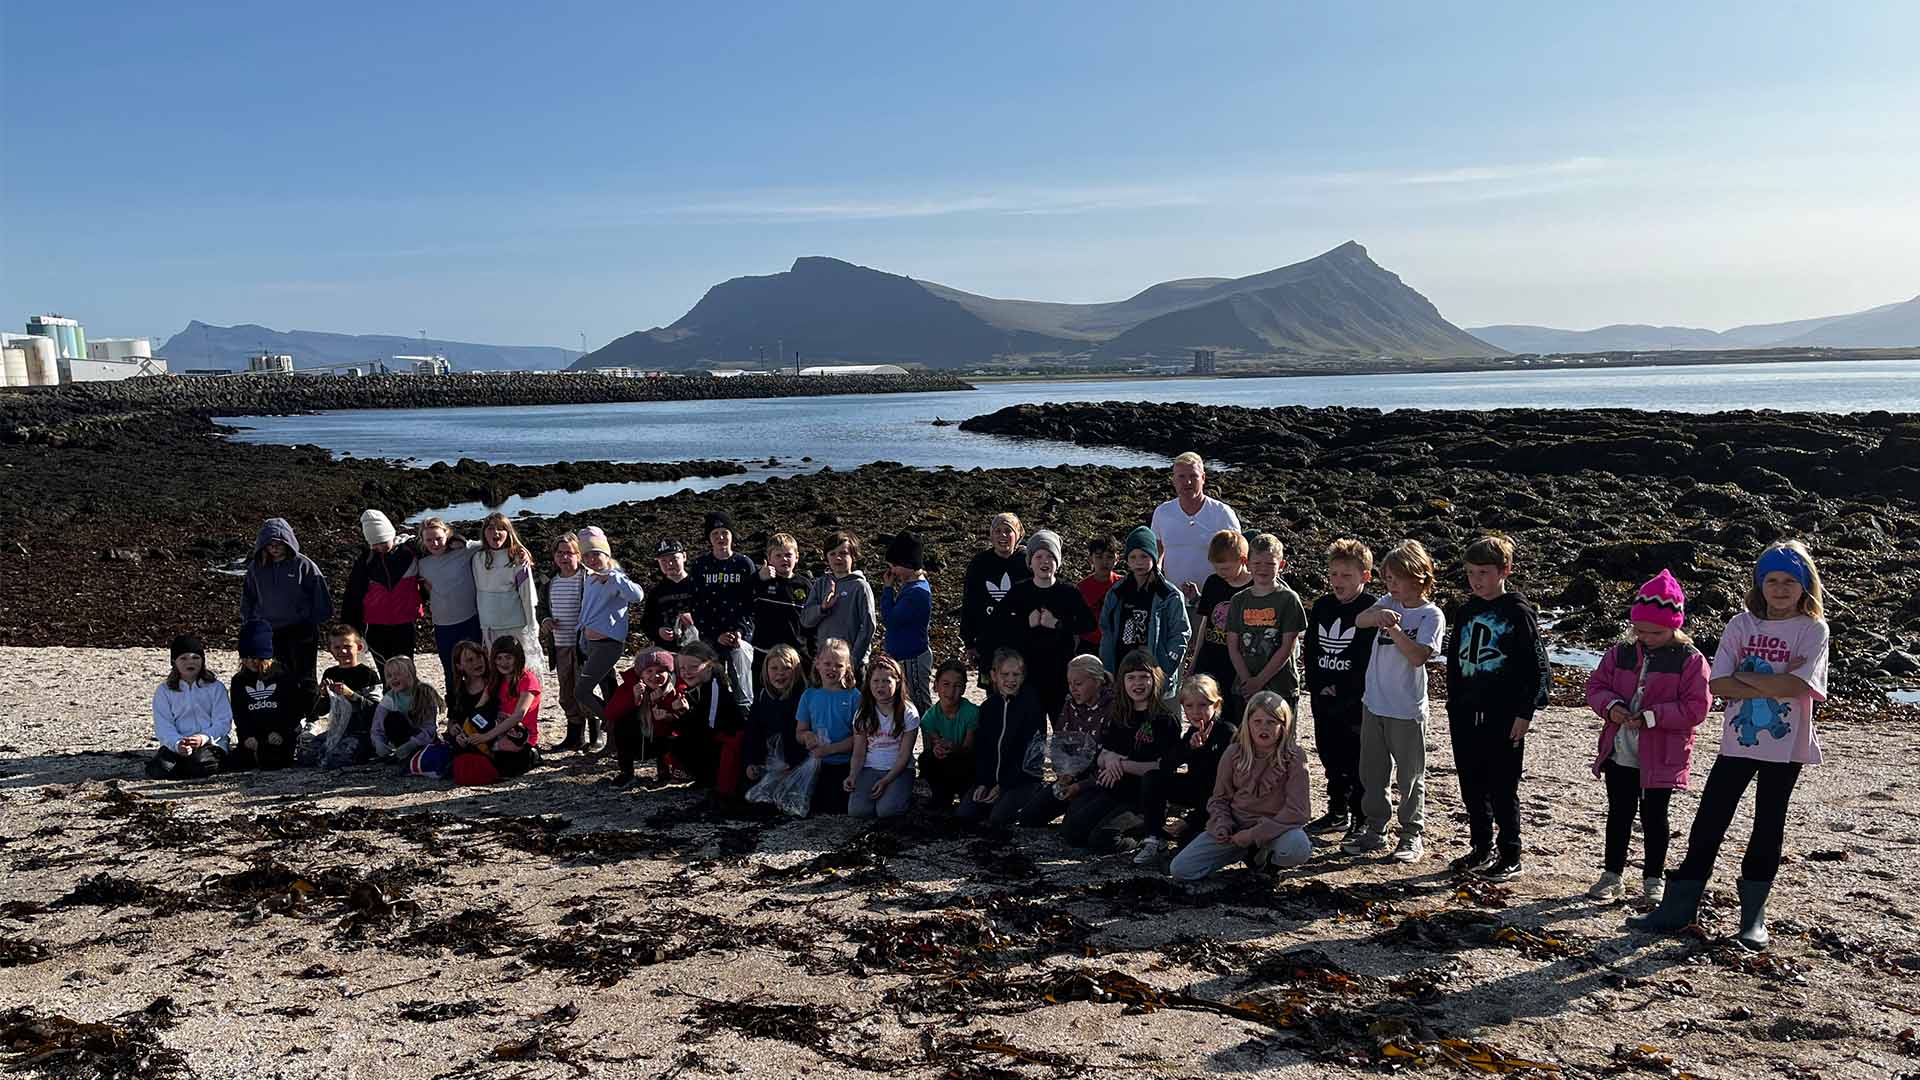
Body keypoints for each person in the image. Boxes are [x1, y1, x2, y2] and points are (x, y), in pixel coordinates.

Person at [1630, 540, 1829, 951]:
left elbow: (1800, 685)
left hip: (1786, 746)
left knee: (1768, 824)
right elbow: (1718, 683)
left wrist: (1750, 677)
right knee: (1709, 821)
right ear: (1759, 583)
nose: (1779, 588)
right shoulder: (1741, 624)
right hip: (1737, 741)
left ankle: (1753, 916)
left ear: (1805, 585)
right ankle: (1679, 906)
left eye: (1789, 581)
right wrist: (1777, 681)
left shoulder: (1813, 629)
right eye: (1771, 579)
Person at [1584, 570, 1711, 903]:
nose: (1645, 637)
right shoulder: (1621, 652)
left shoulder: (1691, 660)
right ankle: (1612, 873)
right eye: (1639, 630)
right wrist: (1611, 708)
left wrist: (1654, 717)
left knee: (1655, 817)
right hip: (1620, 750)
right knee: (1619, 813)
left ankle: (1653, 878)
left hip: (1662, 755)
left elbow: (1697, 708)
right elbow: (1596, 686)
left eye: (1654, 631)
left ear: (1674, 626)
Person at [1444, 535, 1551, 881]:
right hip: (1465, 713)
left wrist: (1525, 712)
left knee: (1503, 786)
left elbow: (1536, 666)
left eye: (1485, 573)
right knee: (1471, 783)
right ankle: (1480, 846)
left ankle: (1510, 852)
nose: (1477, 580)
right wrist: (1454, 705)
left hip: (1504, 715)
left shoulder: (1517, 613)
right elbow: (1454, 665)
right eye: (1471, 573)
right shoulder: (1466, 611)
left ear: (1505, 571)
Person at [1342, 541, 1445, 864]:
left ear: (1420, 577)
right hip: (1373, 703)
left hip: (1407, 709)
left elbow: (1418, 657)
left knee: (1410, 776)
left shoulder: (1431, 615)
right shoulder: (1387, 601)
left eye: (1398, 578)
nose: (1392, 586)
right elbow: (1358, 621)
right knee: (1372, 773)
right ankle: (1376, 830)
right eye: (1387, 579)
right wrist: (1376, 615)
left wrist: (1395, 628)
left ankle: (1411, 834)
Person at [1168, 693, 1312, 883]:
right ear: (1248, 723)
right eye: (1258, 721)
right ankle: (1244, 854)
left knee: (1297, 846)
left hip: (1275, 829)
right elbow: (1219, 799)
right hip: (1235, 830)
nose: (1263, 728)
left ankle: (1268, 863)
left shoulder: (1294, 757)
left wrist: (1253, 835)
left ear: (1284, 725)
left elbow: (1298, 811)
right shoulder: (1234, 752)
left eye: (1271, 722)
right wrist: (1222, 824)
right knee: (1181, 870)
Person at [1063, 649, 1180, 852]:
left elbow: (1162, 768)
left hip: (1143, 799)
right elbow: (1103, 755)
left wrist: (1121, 764)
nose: (1138, 683)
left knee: (1102, 841)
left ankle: (1148, 833)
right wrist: (1110, 761)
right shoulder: (1120, 714)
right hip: (1116, 791)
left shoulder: (1165, 720)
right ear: (1122, 682)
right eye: (1131, 678)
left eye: (1144, 677)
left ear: (1155, 679)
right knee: (1072, 831)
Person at [1302, 539, 1379, 840]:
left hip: (1355, 698)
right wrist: (1319, 685)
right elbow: (1310, 649)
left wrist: (1344, 689)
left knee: (1356, 759)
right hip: (1323, 695)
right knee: (1329, 754)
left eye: (1346, 576)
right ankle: (1336, 811)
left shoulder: (1370, 609)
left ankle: (1360, 816)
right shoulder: (1322, 606)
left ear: (1365, 576)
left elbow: (1365, 657)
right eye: (1333, 574)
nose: (1338, 581)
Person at [1134, 674, 1237, 866]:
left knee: (1187, 843)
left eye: (1203, 705)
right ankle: (1154, 838)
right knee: (1153, 778)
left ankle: (1192, 830)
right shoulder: (1192, 732)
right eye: (1189, 706)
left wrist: (1190, 820)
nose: (1195, 712)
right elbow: (1166, 765)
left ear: (1216, 705)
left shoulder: (1227, 733)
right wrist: (1188, 748)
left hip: (1219, 800)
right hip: (1195, 789)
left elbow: (1224, 787)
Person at [997, 529, 1094, 726]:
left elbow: (1088, 624)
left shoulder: (1068, 591)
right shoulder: (1019, 591)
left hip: (1061, 673)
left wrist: (1057, 624)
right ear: (1030, 562)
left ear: (1057, 562)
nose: (1045, 561)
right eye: (1039, 556)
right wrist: (1026, 623)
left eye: (1050, 556)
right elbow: (998, 626)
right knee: (1033, 732)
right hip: (1028, 672)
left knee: (1064, 730)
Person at [1018, 654, 1115, 827]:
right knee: (1028, 817)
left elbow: (1111, 763)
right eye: (1070, 684)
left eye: (1078, 684)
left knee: (1072, 828)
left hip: (1098, 784)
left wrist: (1080, 786)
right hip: (1070, 778)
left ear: (1097, 681)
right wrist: (1063, 774)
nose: (1073, 689)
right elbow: (1059, 743)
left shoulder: (1113, 709)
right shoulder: (1070, 704)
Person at [239, 518, 331, 699]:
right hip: (269, 631)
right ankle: (287, 717)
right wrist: (248, 623)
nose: (274, 548)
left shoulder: (303, 564)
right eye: (270, 544)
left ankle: (310, 715)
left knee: (305, 675)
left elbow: (320, 593)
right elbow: (248, 597)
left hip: (301, 629)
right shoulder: (256, 568)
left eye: (279, 544)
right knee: (276, 675)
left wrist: (315, 618)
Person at [574, 526, 646, 754]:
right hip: (591, 645)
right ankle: (614, 744)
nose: (592, 559)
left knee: (581, 691)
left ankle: (613, 722)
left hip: (608, 646)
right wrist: (580, 635)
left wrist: (614, 577)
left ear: (607, 554)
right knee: (609, 691)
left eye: (596, 554)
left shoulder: (615, 578)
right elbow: (587, 611)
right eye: (587, 555)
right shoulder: (591, 579)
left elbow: (638, 596)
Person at [1098, 526, 1191, 700]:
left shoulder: (1169, 594)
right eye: (1133, 557)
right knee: (1124, 720)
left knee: (1154, 723)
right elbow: (1106, 629)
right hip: (1122, 670)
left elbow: (1181, 633)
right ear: (1127, 560)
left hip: (1154, 671)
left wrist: (1166, 666)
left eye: (1144, 556)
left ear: (1154, 558)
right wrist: (1107, 668)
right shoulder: (1117, 592)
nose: (1138, 562)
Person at [958, 648, 1046, 828]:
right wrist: (983, 782)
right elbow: (982, 749)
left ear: (1023, 676)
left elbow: (1029, 753)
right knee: (964, 814)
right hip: (992, 779)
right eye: (1005, 674)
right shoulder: (988, 708)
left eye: (1016, 674)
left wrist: (1003, 785)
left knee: (998, 819)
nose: (1011, 680)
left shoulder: (1032, 707)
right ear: (994, 675)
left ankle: (1032, 795)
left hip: (1021, 779)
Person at [1225, 533, 1307, 725]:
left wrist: (1260, 681)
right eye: (1257, 563)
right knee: (1247, 742)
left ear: (1282, 565)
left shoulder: (1288, 599)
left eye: (1270, 564)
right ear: (1246, 562)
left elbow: (1288, 646)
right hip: (1245, 687)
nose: (1263, 569)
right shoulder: (1239, 600)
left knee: (1281, 745)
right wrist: (1248, 681)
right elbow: (1232, 645)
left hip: (1281, 687)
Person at [449, 634, 541, 784]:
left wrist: (487, 737)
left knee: (505, 767)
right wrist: (465, 733)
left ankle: (532, 755)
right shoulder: (495, 680)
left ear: (518, 657)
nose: (503, 663)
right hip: (496, 733)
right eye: (499, 658)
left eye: (508, 658)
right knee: (464, 755)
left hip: (520, 737)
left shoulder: (528, 679)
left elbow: (519, 715)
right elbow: (477, 709)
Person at [1150, 453, 1241, 604]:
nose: (1188, 481)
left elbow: (1239, 554)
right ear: (1173, 480)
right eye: (1181, 476)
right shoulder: (1162, 512)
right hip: (1172, 600)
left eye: (1194, 476)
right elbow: (1157, 548)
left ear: (1203, 478)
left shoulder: (1222, 513)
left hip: (1212, 601)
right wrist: (1156, 572)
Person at [689, 511, 756, 712]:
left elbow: (751, 605)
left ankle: (744, 713)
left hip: (739, 634)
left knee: (741, 679)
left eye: (724, 532)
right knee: (712, 681)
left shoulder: (744, 564)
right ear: (709, 538)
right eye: (715, 533)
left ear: (732, 536)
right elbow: (697, 606)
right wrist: (715, 634)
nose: (720, 538)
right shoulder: (700, 566)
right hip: (711, 634)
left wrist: (740, 631)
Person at [341, 509, 421, 668]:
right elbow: (353, 596)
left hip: (404, 623)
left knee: (406, 667)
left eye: (383, 542)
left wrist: (457, 540)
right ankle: (388, 693)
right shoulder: (366, 561)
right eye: (374, 544)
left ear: (391, 535)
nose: (379, 547)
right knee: (385, 669)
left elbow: (438, 541)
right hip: (375, 626)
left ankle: (409, 693)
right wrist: (350, 628)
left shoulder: (411, 551)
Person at [1183, 530, 1251, 715]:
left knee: (1233, 716)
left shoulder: (1253, 589)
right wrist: (1194, 662)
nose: (1221, 573)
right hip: (1210, 658)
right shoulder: (1213, 582)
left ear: (1243, 560)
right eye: (1217, 568)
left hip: (1237, 665)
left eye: (1226, 568)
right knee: (1205, 713)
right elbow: (1206, 622)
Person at [146, 634, 231, 780]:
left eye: (195, 658)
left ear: (203, 661)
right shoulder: (164, 690)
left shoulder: (216, 687)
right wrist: (178, 743)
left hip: (210, 744)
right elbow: (163, 725)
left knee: (200, 765)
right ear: (174, 661)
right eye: (183, 658)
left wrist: (203, 738)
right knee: (159, 769)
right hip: (178, 744)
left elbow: (223, 722)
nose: (190, 662)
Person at [846, 655, 921, 819]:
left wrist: (886, 780)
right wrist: (853, 775)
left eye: (886, 681)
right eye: (876, 681)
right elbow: (858, 752)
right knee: (858, 811)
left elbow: (904, 755)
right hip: (870, 767)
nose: (881, 686)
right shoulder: (863, 713)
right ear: (869, 684)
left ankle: (903, 795)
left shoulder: (909, 713)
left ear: (898, 682)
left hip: (899, 769)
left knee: (887, 812)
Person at [672, 639, 748, 800]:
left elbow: (710, 726)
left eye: (693, 667)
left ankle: (711, 780)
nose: (686, 672)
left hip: (727, 741)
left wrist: (683, 716)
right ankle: (705, 779)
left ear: (709, 665)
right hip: (715, 737)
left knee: (686, 740)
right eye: (682, 668)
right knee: (677, 740)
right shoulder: (700, 686)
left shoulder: (716, 686)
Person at [413, 517, 484, 690]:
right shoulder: (421, 563)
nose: (435, 543)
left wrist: (459, 539)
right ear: (422, 541)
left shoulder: (464, 551)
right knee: (451, 670)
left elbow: (489, 542)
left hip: (470, 620)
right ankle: (455, 711)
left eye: (438, 538)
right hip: (443, 626)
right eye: (429, 540)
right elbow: (399, 544)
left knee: (477, 668)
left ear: (447, 534)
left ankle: (480, 709)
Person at [960, 513, 1030, 683]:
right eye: (997, 531)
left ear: (1018, 534)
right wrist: (969, 642)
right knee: (993, 691)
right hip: (989, 641)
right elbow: (969, 603)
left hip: (1024, 641)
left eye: (1008, 531)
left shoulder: (1027, 561)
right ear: (991, 535)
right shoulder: (979, 563)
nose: (1002, 535)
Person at [795, 638, 862, 815]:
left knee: (836, 808)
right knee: (809, 805)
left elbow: (859, 739)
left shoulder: (855, 697)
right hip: (816, 763)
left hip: (844, 764)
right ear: (817, 663)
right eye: (827, 663)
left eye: (838, 665)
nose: (832, 669)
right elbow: (799, 732)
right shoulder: (809, 696)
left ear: (847, 668)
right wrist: (807, 736)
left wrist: (830, 750)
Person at [604, 647, 685, 790]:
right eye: (649, 671)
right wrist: (633, 699)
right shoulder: (629, 687)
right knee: (622, 721)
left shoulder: (675, 689)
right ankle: (626, 772)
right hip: (637, 739)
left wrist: (668, 714)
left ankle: (664, 771)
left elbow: (682, 721)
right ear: (640, 673)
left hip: (662, 741)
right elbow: (610, 713)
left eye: (661, 671)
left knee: (674, 732)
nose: (655, 676)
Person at [228, 618, 302, 771]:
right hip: (253, 735)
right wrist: (246, 736)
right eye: (247, 658)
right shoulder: (239, 681)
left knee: (273, 761)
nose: (251, 662)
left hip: (279, 735)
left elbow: (294, 710)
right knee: (236, 763)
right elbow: (239, 713)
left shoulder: (283, 676)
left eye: (257, 658)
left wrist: (282, 732)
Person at [473, 512, 543, 674]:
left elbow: (528, 596)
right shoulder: (477, 558)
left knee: (521, 668)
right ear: (484, 532)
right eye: (490, 528)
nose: (495, 533)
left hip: (515, 625)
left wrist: (532, 625)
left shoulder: (517, 559)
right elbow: (466, 544)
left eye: (501, 529)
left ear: (508, 532)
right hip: (489, 625)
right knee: (497, 670)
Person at [800, 531, 876, 676]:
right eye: (832, 553)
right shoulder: (821, 583)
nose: (838, 558)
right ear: (826, 557)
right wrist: (822, 608)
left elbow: (868, 627)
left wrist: (853, 660)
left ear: (854, 556)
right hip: (825, 663)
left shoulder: (860, 586)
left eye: (843, 553)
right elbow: (805, 620)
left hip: (852, 664)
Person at [539, 533, 589, 750]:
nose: (564, 557)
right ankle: (574, 736)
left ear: (579, 555)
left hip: (583, 646)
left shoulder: (587, 578)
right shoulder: (550, 582)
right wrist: (546, 620)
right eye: (559, 553)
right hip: (560, 645)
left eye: (569, 552)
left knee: (583, 691)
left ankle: (594, 735)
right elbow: (541, 608)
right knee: (566, 693)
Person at [878, 532, 935, 713]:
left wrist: (887, 589)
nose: (892, 571)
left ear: (909, 564)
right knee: (904, 705)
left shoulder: (917, 592)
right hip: (903, 656)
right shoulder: (911, 586)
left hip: (913, 657)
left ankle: (930, 740)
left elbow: (890, 620)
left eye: (894, 566)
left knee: (919, 704)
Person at [317, 624, 385, 769]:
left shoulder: (368, 675)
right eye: (337, 648)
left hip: (362, 732)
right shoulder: (330, 673)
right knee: (308, 755)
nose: (342, 651)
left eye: (347, 646)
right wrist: (322, 695)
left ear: (358, 648)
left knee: (337, 759)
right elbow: (320, 711)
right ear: (330, 650)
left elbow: (375, 710)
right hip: (338, 730)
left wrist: (351, 695)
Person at [753, 533, 814, 681]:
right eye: (778, 555)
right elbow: (744, 597)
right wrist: (758, 579)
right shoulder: (761, 580)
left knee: (797, 695)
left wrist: (812, 652)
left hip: (796, 653)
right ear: (769, 558)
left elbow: (811, 621)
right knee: (764, 693)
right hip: (764, 652)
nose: (784, 559)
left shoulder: (804, 584)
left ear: (797, 557)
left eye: (788, 555)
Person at [921, 660, 980, 811]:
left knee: (967, 760)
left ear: (963, 689)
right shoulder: (929, 717)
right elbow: (935, 742)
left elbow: (969, 748)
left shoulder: (972, 712)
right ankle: (942, 795)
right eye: (946, 684)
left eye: (957, 686)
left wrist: (953, 748)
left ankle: (965, 793)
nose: (951, 691)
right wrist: (938, 748)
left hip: (967, 763)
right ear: (936, 686)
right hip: (946, 763)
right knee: (926, 759)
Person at [745, 644, 807, 785]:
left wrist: (791, 763)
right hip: (767, 761)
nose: (780, 673)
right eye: (774, 668)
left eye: (786, 668)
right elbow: (753, 732)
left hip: (795, 764)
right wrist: (752, 761)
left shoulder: (804, 698)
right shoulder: (762, 697)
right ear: (766, 670)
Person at [370, 655, 445, 764]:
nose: (393, 678)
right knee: (393, 718)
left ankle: (412, 753)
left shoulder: (425, 693)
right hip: (402, 739)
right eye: (390, 676)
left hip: (423, 739)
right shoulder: (390, 698)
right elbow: (377, 725)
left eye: (398, 674)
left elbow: (429, 727)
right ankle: (400, 753)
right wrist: (378, 742)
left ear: (410, 674)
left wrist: (413, 743)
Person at [640, 538, 700, 649]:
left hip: (698, 647)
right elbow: (646, 623)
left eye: (674, 558)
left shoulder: (699, 586)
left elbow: (714, 614)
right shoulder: (656, 592)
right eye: (663, 561)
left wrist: (695, 619)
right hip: (667, 649)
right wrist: (658, 631)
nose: (669, 564)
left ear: (684, 557)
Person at [1077, 536, 1122, 656]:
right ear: (1090, 559)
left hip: (1116, 643)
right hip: (1088, 644)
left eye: (1109, 557)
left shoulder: (1123, 585)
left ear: (1117, 559)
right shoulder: (1081, 588)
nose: (1104, 562)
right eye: (1099, 557)